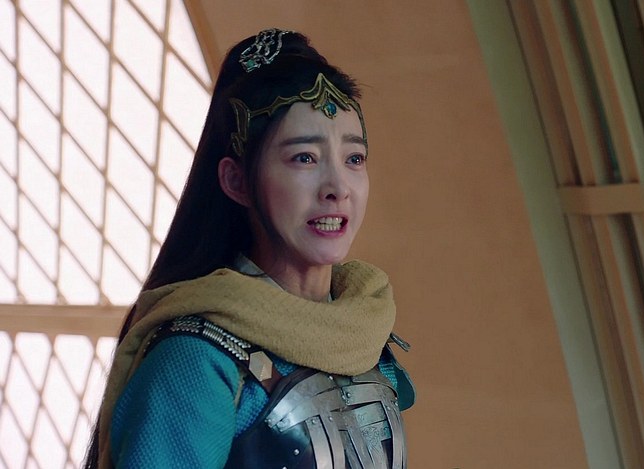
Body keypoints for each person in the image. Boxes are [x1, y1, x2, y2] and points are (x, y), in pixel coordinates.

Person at [85, 28, 415, 468]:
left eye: (354, 159)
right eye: (304, 158)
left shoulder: (364, 330)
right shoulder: (197, 358)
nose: (338, 187)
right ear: (236, 180)